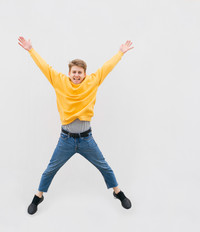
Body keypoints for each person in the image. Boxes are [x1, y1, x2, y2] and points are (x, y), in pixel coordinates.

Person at [18, 36, 134, 215]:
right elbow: (45, 67)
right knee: (50, 169)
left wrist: (120, 53)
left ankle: (118, 192)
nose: (77, 75)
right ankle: (38, 196)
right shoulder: (60, 82)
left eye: (80, 72)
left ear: (85, 74)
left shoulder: (92, 82)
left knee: (105, 167)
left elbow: (106, 68)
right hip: (66, 140)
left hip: (87, 140)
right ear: (69, 73)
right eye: (74, 72)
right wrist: (31, 50)